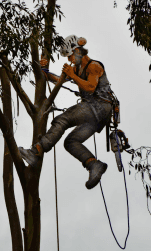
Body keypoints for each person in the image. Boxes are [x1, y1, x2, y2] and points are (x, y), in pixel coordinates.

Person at [19, 35, 115, 189]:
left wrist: (72, 75)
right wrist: (43, 70)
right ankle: (94, 164)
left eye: (70, 55)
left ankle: (36, 151)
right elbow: (59, 80)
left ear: (77, 50)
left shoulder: (94, 66)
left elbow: (90, 87)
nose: (70, 59)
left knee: (63, 119)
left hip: (99, 106)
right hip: (95, 117)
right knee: (70, 142)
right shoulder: (77, 69)